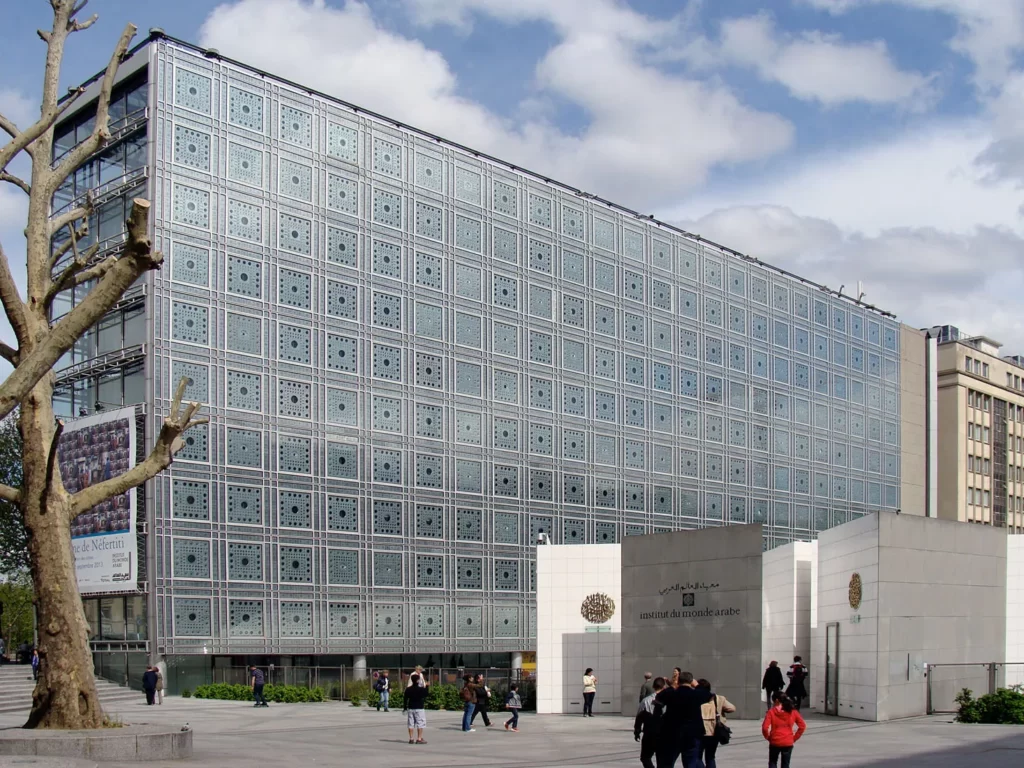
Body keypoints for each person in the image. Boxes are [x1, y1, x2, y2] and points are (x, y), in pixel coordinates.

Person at [655, 670, 713, 768]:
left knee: (668, 762)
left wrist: (673, 686)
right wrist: (697, 685)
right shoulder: (696, 694)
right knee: (690, 762)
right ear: (691, 681)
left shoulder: (671, 693)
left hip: (672, 733)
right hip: (692, 734)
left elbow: (659, 697)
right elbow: (707, 694)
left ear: (679, 681)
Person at [698, 678, 736, 768]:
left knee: (697, 757)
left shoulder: (695, 698)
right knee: (710, 757)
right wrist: (721, 711)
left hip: (701, 732)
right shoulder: (718, 698)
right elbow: (732, 708)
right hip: (715, 732)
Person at [762, 693, 806, 767]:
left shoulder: (771, 712)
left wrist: (768, 737)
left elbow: (764, 728)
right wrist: (794, 738)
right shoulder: (793, 711)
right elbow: (802, 726)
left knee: (773, 762)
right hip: (788, 741)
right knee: (785, 764)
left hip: (775, 740)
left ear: (776, 700)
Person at [634, 676, 666, 768]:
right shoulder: (669, 700)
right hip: (664, 733)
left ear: (653, 686)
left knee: (645, 757)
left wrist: (637, 731)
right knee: (662, 759)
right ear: (664, 687)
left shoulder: (645, 701)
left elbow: (639, 717)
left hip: (649, 732)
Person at [405, 673, 429, 744]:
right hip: (419, 707)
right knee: (420, 723)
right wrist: (427, 686)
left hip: (411, 707)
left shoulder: (408, 689)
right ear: (417, 681)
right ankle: (419, 738)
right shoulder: (420, 689)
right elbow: (426, 694)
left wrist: (404, 707)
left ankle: (411, 738)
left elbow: (405, 698)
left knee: (410, 723)